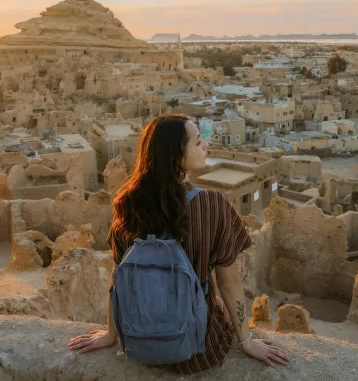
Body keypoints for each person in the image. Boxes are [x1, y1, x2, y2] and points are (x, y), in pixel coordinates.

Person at [68, 113, 289, 373]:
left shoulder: (127, 205)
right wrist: (247, 340)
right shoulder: (211, 204)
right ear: (177, 154)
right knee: (215, 301)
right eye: (197, 142)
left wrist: (110, 334)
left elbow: (119, 278)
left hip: (141, 345)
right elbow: (229, 282)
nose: (205, 145)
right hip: (200, 348)